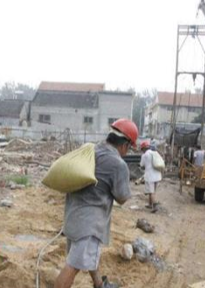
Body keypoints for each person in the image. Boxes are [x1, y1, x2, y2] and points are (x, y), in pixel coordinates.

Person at [54, 118, 138, 288]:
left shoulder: (92, 150)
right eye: (128, 149)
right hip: (89, 224)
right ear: (125, 145)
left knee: (89, 254)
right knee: (73, 266)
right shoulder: (118, 165)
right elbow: (122, 198)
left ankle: (99, 284)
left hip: (73, 216)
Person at [140, 141, 162, 213]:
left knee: (151, 191)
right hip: (157, 175)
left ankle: (155, 206)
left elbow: (142, 165)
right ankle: (150, 204)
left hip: (150, 176)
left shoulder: (144, 155)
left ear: (143, 148)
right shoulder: (155, 153)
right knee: (153, 191)